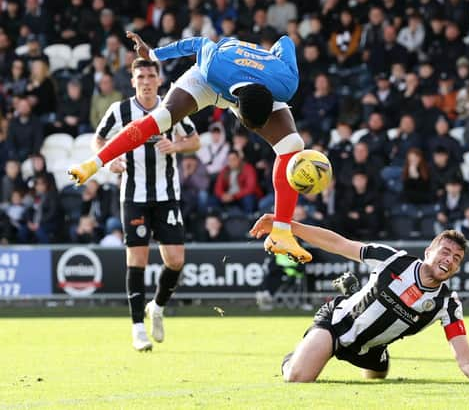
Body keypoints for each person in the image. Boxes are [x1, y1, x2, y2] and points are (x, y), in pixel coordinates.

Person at [69, 32, 312, 263]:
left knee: (293, 144)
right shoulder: (214, 65)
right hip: (208, 81)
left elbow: (285, 42)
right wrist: (153, 54)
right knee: (161, 119)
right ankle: (94, 162)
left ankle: (281, 232)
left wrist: (267, 59)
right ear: (237, 107)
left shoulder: (286, 84)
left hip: (259, 81)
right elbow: (199, 42)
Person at [249, 215, 469, 384]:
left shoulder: (447, 304)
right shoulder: (393, 259)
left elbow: (464, 356)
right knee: (297, 377)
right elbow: (339, 244)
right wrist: (286, 225)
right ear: (428, 252)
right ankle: (293, 358)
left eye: (456, 259)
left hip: (371, 350)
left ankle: (378, 352)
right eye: (445, 252)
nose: (449, 260)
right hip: (336, 326)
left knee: (378, 377)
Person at [91, 58, 200, 352]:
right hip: (134, 197)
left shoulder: (171, 108)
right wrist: (109, 161)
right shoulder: (120, 110)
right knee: (136, 261)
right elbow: (98, 140)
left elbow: (195, 140)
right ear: (133, 81)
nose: (146, 81)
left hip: (166, 196)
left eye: (151, 75)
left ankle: (158, 306)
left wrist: (176, 145)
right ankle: (137, 328)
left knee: (176, 260)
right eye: (141, 76)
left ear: (159, 80)